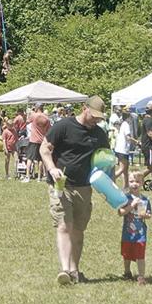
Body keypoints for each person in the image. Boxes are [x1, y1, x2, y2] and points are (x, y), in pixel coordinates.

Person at [40, 95, 110, 286]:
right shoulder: (64, 126)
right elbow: (44, 149)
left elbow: (105, 158)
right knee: (64, 225)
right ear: (84, 108)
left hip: (84, 187)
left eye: (98, 117)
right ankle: (65, 270)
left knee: (78, 229)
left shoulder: (99, 134)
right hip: (60, 185)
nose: (95, 120)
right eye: (93, 115)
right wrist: (52, 168)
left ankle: (74, 269)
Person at [119, 172, 151, 285]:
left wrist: (145, 215)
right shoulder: (125, 198)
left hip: (140, 233)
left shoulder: (145, 199)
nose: (134, 184)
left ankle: (141, 276)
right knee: (126, 254)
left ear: (142, 183)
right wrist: (132, 205)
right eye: (132, 181)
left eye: (137, 181)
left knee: (140, 255)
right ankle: (127, 272)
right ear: (128, 183)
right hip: (127, 233)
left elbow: (149, 214)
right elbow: (121, 212)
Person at [27, 104, 51, 181]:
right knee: (41, 159)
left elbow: (27, 121)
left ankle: (27, 176)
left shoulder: (34, 115)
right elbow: (49, 129)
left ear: (36, 108)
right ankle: (39, 178)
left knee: (30, 158)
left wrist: (30, 112)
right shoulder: (46, 118)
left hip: (33, 140)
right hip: (42, 140)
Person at [113, 105, 134, 183]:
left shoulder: (122, 124)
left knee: (125, 169)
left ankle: (126, 186)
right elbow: (128, 137)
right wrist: (137, 142)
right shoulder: (126, 124)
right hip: (123, 150)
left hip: (119, 149)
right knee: (122, 168)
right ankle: (111, 179)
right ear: (128, 117)